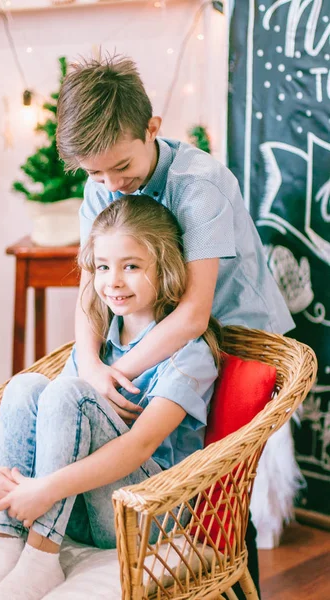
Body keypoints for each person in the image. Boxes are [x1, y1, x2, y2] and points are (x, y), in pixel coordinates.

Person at [56, 54, 296, 598]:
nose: (112, 185)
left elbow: (193, 313)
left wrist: (115, 369)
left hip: (237, 337)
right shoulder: (102, 185)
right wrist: (90, 365)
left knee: (222, 492)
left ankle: (233, 582)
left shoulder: (199, 183)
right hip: (166, 338)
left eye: (122, 168)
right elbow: (90, 290)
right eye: (96, 174)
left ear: (152, 129)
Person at [0, 196, 220, 600]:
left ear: (165, 267)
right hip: (79, 505)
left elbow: (140, 446)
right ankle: (10, 548)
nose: (112, 281)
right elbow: (44, 420)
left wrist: (44, 490)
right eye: (102, 267)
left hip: (148, 514)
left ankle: (41, 560)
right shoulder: (97, 344)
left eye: (131, 266)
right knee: (25, 387)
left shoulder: (190, 354)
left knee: (70, 393)